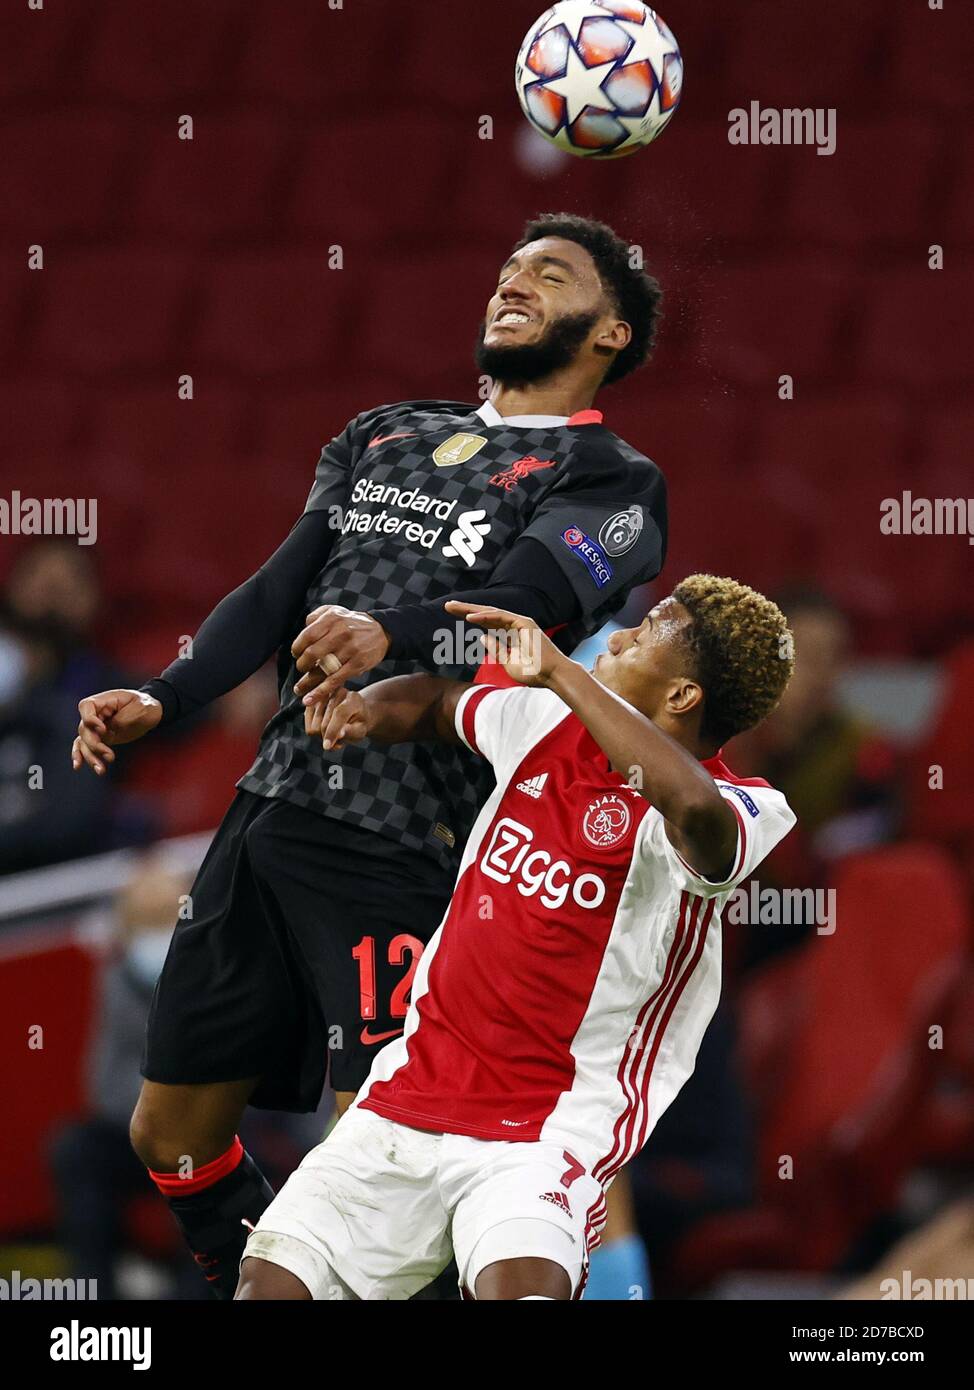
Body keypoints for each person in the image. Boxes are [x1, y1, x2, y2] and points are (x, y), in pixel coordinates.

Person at [70, 214, 670, 1296]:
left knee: (386, 1154)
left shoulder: (611, 478)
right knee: (166, 1132)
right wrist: (168, 695)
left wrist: (386, 639)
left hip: (412, 830)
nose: (511, 284)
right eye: (505, 269)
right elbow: (274, 589)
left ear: (611, 332)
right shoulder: (383, 431)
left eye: (548, 274)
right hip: (272, 801)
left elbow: (524, 608)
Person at [236, 575, 798, 1300]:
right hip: (407, 1096)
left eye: (645, 630)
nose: (619, 637)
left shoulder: (745, 805)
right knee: (268, 1289)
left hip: (545, 1132)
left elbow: (695, 811)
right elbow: (440, 706)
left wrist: (561, 673)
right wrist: (363, 711)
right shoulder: (541, 727)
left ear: (684, 696)